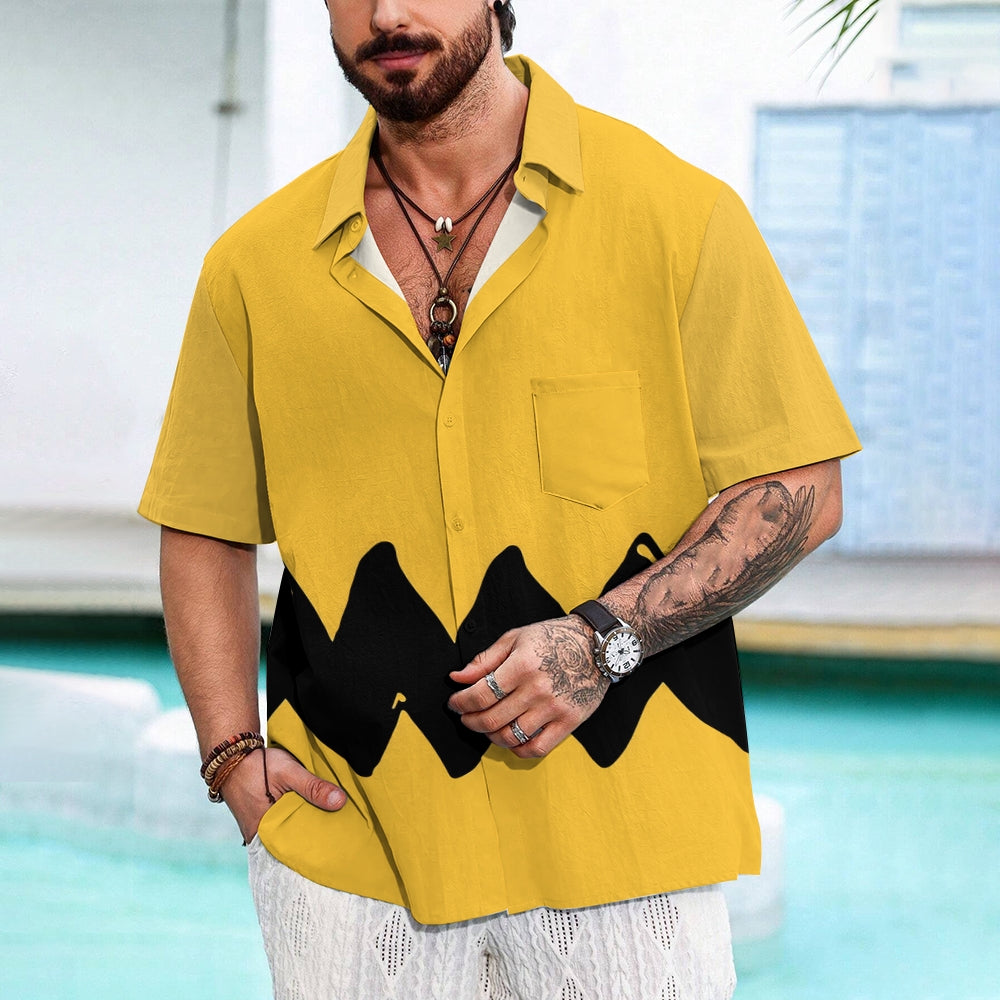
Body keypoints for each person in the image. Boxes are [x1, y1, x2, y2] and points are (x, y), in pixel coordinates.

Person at [139, 2, 860, 997]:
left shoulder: (675, 215)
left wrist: (601, 642)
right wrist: (230, 756)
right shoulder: (254, 268)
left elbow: (799, 487)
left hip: (625, 847)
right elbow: (204, 526)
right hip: (352, 860)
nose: (387, 13)